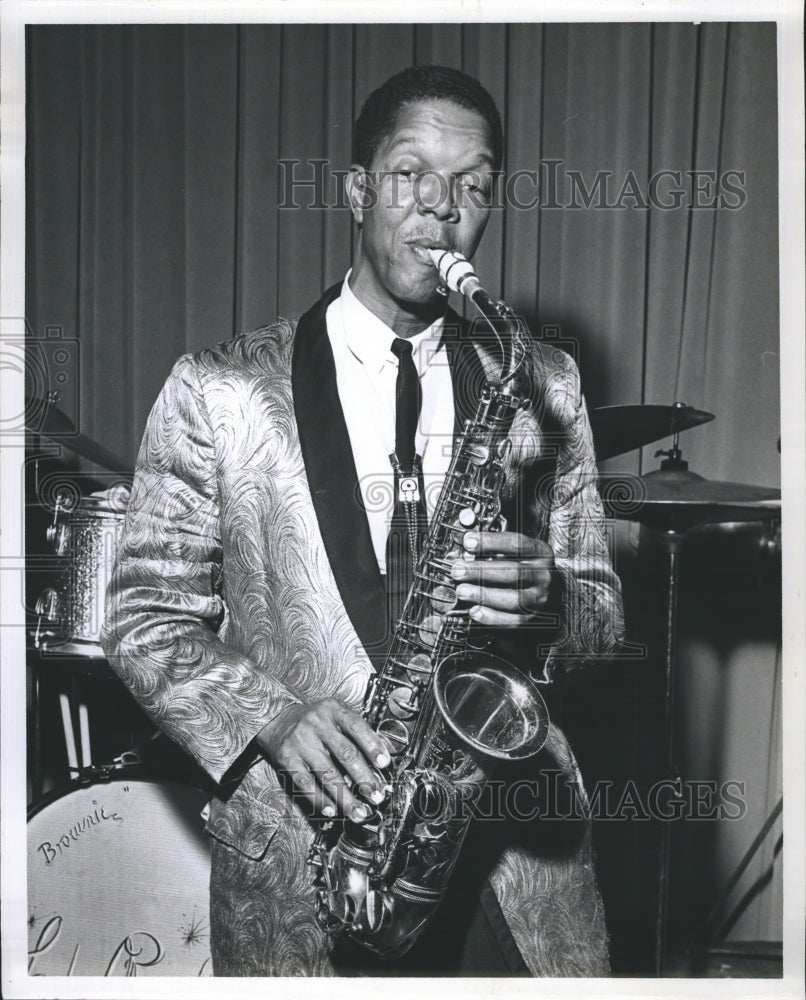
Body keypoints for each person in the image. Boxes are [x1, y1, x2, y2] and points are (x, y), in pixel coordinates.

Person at [102, 64, 624, 977]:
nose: (440, 208)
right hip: (304, 868)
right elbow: (144, 620)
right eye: (409, 174)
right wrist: (274, 714)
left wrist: (554, 602)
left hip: (506, 860)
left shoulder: (543, 380)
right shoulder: (218, 388)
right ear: (355, 189)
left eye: (471, 185)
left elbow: (602, 618)